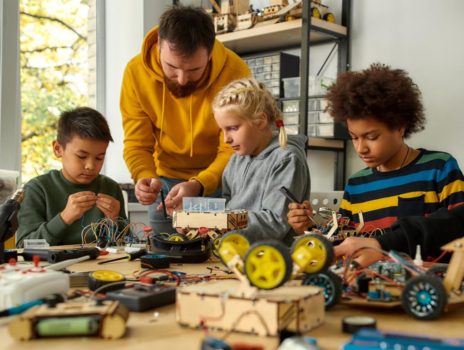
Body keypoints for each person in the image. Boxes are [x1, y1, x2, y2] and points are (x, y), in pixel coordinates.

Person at [288, 63, 464, 235]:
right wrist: (307, 227)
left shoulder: (439, 169)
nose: (361, 148)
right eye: (354, 137)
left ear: (400, 127)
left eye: (371, 137)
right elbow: (342, 240)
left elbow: (459, 228)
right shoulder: (356, 185)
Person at [120, 5, 250, 234]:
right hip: (163, 182)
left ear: (210, 53)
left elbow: (233, 148)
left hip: (218, 180)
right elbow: (137, 144)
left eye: (193, 70)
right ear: (159, 45)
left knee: (216, 259)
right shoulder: (135, 72)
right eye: (171, 66)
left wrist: (199, 184)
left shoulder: (236, 72)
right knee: (163, 254)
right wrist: (144, 177)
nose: (181, 79)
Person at [212, 78, 310, 245]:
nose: (226, 139)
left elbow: (275, 223)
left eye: (233, 128)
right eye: (222, 130)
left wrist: (221, 222)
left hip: (271, 257)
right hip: (234, 250)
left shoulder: (286, 159)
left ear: (261, 121)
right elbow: (227, 205)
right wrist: (197, 219)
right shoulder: (236, 159)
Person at [16, 107, 126, 247]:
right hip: (51, 267)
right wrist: (64, 218)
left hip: (100, 267)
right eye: (81, 156)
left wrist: (114, 220)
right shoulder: (37, 189)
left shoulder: (111, 188)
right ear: (58, 149)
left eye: (99, 158)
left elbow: (128, 247)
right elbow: (23, 246)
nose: (90, 166)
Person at [334, 204, 464, 266]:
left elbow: (452, 230)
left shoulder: (441, 168)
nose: (361, 149)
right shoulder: (354, 183)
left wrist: (383, 244)